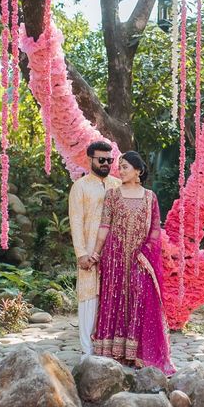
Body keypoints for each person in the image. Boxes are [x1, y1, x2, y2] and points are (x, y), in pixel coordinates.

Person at [90, 151, 175, 375]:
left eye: (125, 166)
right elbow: (104, 227)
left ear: (138, 171)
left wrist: (144, 252)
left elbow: (155, 230)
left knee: (139, 300)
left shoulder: (150, 198)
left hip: (141, 259)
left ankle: (137, 354)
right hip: (114, 257)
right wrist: (96, 253)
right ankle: (113, 352)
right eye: (120, 166)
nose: (121, 170)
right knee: (115, 297)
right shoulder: (112, 195)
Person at [68, 141, 121, 358]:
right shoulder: (80, 187)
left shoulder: (118, 185)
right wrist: (81, 253)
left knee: (112, 298)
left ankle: (109, 349)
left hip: (115, 253)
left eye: (110, 160)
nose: (106, 163)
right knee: (89, 298)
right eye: (102, 160)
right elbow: (76, 221)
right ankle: (87, 352)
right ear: (89, 159)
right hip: (89, 251)